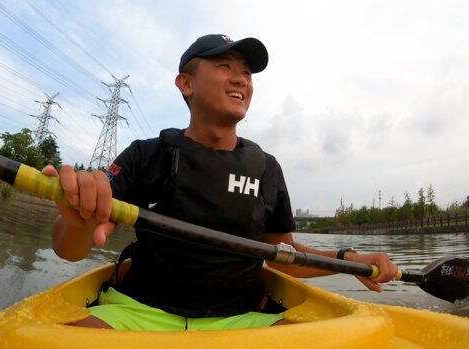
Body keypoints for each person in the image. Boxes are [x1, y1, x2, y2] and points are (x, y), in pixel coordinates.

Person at [43, 34, 398, 331]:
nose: (241, 79)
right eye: (224, 66)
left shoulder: (267, 169)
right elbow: (67, 250)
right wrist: (77, 222)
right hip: (135, 313)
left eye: (246, 73)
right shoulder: (145, 155)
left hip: (240, 319)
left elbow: (284, 258)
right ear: (186, 83)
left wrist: (348, 258)